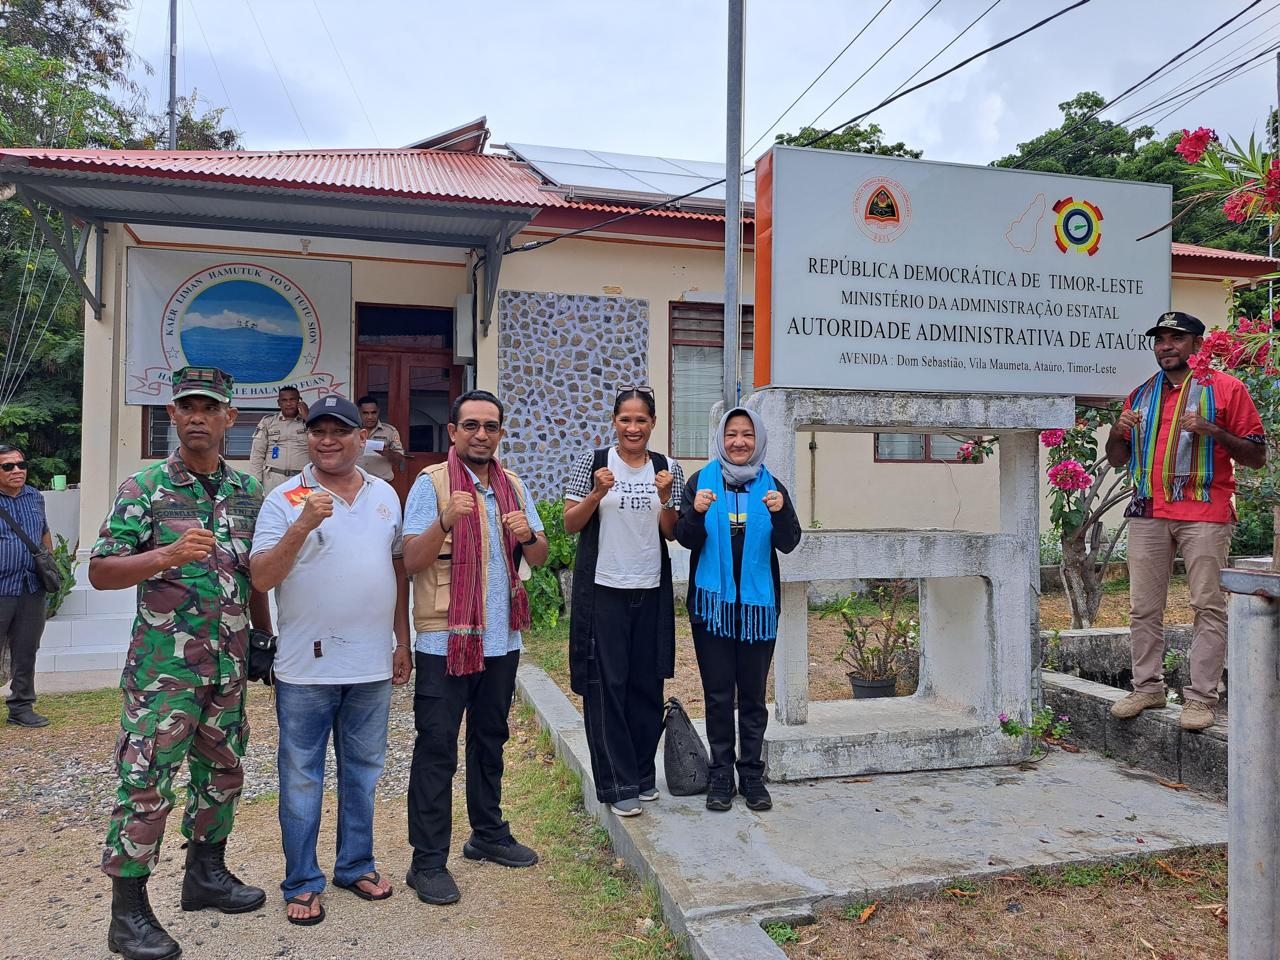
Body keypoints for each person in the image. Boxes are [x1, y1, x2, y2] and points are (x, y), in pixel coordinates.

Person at [88, 366, 274, 960]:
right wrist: (164, 553)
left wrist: (264, 639)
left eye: (208, 407)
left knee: (223, 776)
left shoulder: (248, 495)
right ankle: (129, 914)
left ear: (229, 419)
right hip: (163, 675)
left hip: (229, 666)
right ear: (172, 415)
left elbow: (256, 579)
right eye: (186, 407)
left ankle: (205, 876)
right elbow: (100, 572)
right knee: (146, 784)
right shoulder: (144, 489)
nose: (197, 416)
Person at [250, 394, 412, 926]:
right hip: (306, 667)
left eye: (338, 431)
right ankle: (301, 880)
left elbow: (397, 573)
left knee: (364, 772)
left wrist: (401, 641)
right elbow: (262, 578)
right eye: (317, 431)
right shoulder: (284, 498)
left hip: (370, 663)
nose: (327, 440)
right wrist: (301, 525)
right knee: (301, 775)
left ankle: (355, 864)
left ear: (360, 439)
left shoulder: (386, 494)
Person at [401, 389, 548, 907]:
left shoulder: (512, 485)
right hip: (446, 642)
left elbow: (542, 555)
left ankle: (486, 834)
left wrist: (528, 534)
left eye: (491, 426)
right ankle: (427, 862)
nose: (481, 434)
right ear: (454, 432)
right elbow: (410, 561)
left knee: (490, 740)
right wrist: (445, 520)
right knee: (436, 749)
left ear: (500, 433)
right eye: (472, 426)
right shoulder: (430, 485)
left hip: (502, 640)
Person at [1105, 311, 1265, 731]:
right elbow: (1118, 458)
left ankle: (1201, 699)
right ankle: (1147, 687)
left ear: (1197, 344)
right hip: (1148, 510)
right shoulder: (1140, 395)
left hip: (1205, 512)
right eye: (1160, 339)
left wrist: (1212, 429)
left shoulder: (1227, 389)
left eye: (1177, 338)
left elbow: (1256, 456)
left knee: (1208, 606)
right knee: (1142, 607)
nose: (1166, 346)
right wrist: (1117, 432)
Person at [564, 386, 684, 818]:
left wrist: (668, 497)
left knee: (648, 684)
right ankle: (617, 785)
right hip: (604, 590)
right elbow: (570, 523)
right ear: (614, 422)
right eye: (625, 420)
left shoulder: (668, 468)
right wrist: (596, 494)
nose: (633, 428)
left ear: (653, 424)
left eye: (641, 420)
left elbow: (672, 532)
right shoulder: (594, 463)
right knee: (607, 686)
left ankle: (641, 775)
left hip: (650, 589)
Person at [676, 407, 801, 811]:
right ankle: (720, 776)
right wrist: (695, 512)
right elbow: (685, 539)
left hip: (757, 610)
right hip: (711, 610)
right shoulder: (700, 483)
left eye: (747, 434)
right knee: (716, 695)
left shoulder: (772, 487)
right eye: (731, 434)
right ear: (720, 438)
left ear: (759, 440)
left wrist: (781, 511)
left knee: (752, 695)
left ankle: (751, 775)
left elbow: (789, 542)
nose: (739, 442)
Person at [0, 444, 52, 728]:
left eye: (21, 464)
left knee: (26, 649)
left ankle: (21, 706)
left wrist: (51, 569)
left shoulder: (35, 497)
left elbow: (44, 533)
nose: (17, 470)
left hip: (31, 587)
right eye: (8, 466)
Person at [248, 385, 310, 492]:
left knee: (301, 509)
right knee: (273, 509)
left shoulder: (311, 422)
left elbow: (319, 445)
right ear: (279, 403)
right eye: (284, 400)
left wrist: (308, 418)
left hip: (301, 479)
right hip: (273, 479)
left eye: (292, 399)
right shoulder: (268, 422)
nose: (289, 403)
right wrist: (256, 481)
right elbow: (257, 454)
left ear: (299, 401)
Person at [356, 395, 406, 484]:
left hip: (381, 483)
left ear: (378, 411)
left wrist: (388, 453)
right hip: (356, 483)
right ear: (358, 412)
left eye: (373, 412)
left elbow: (400, 459)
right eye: (365, 413)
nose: (370, 417)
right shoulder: (351, 432)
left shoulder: (390, 431)